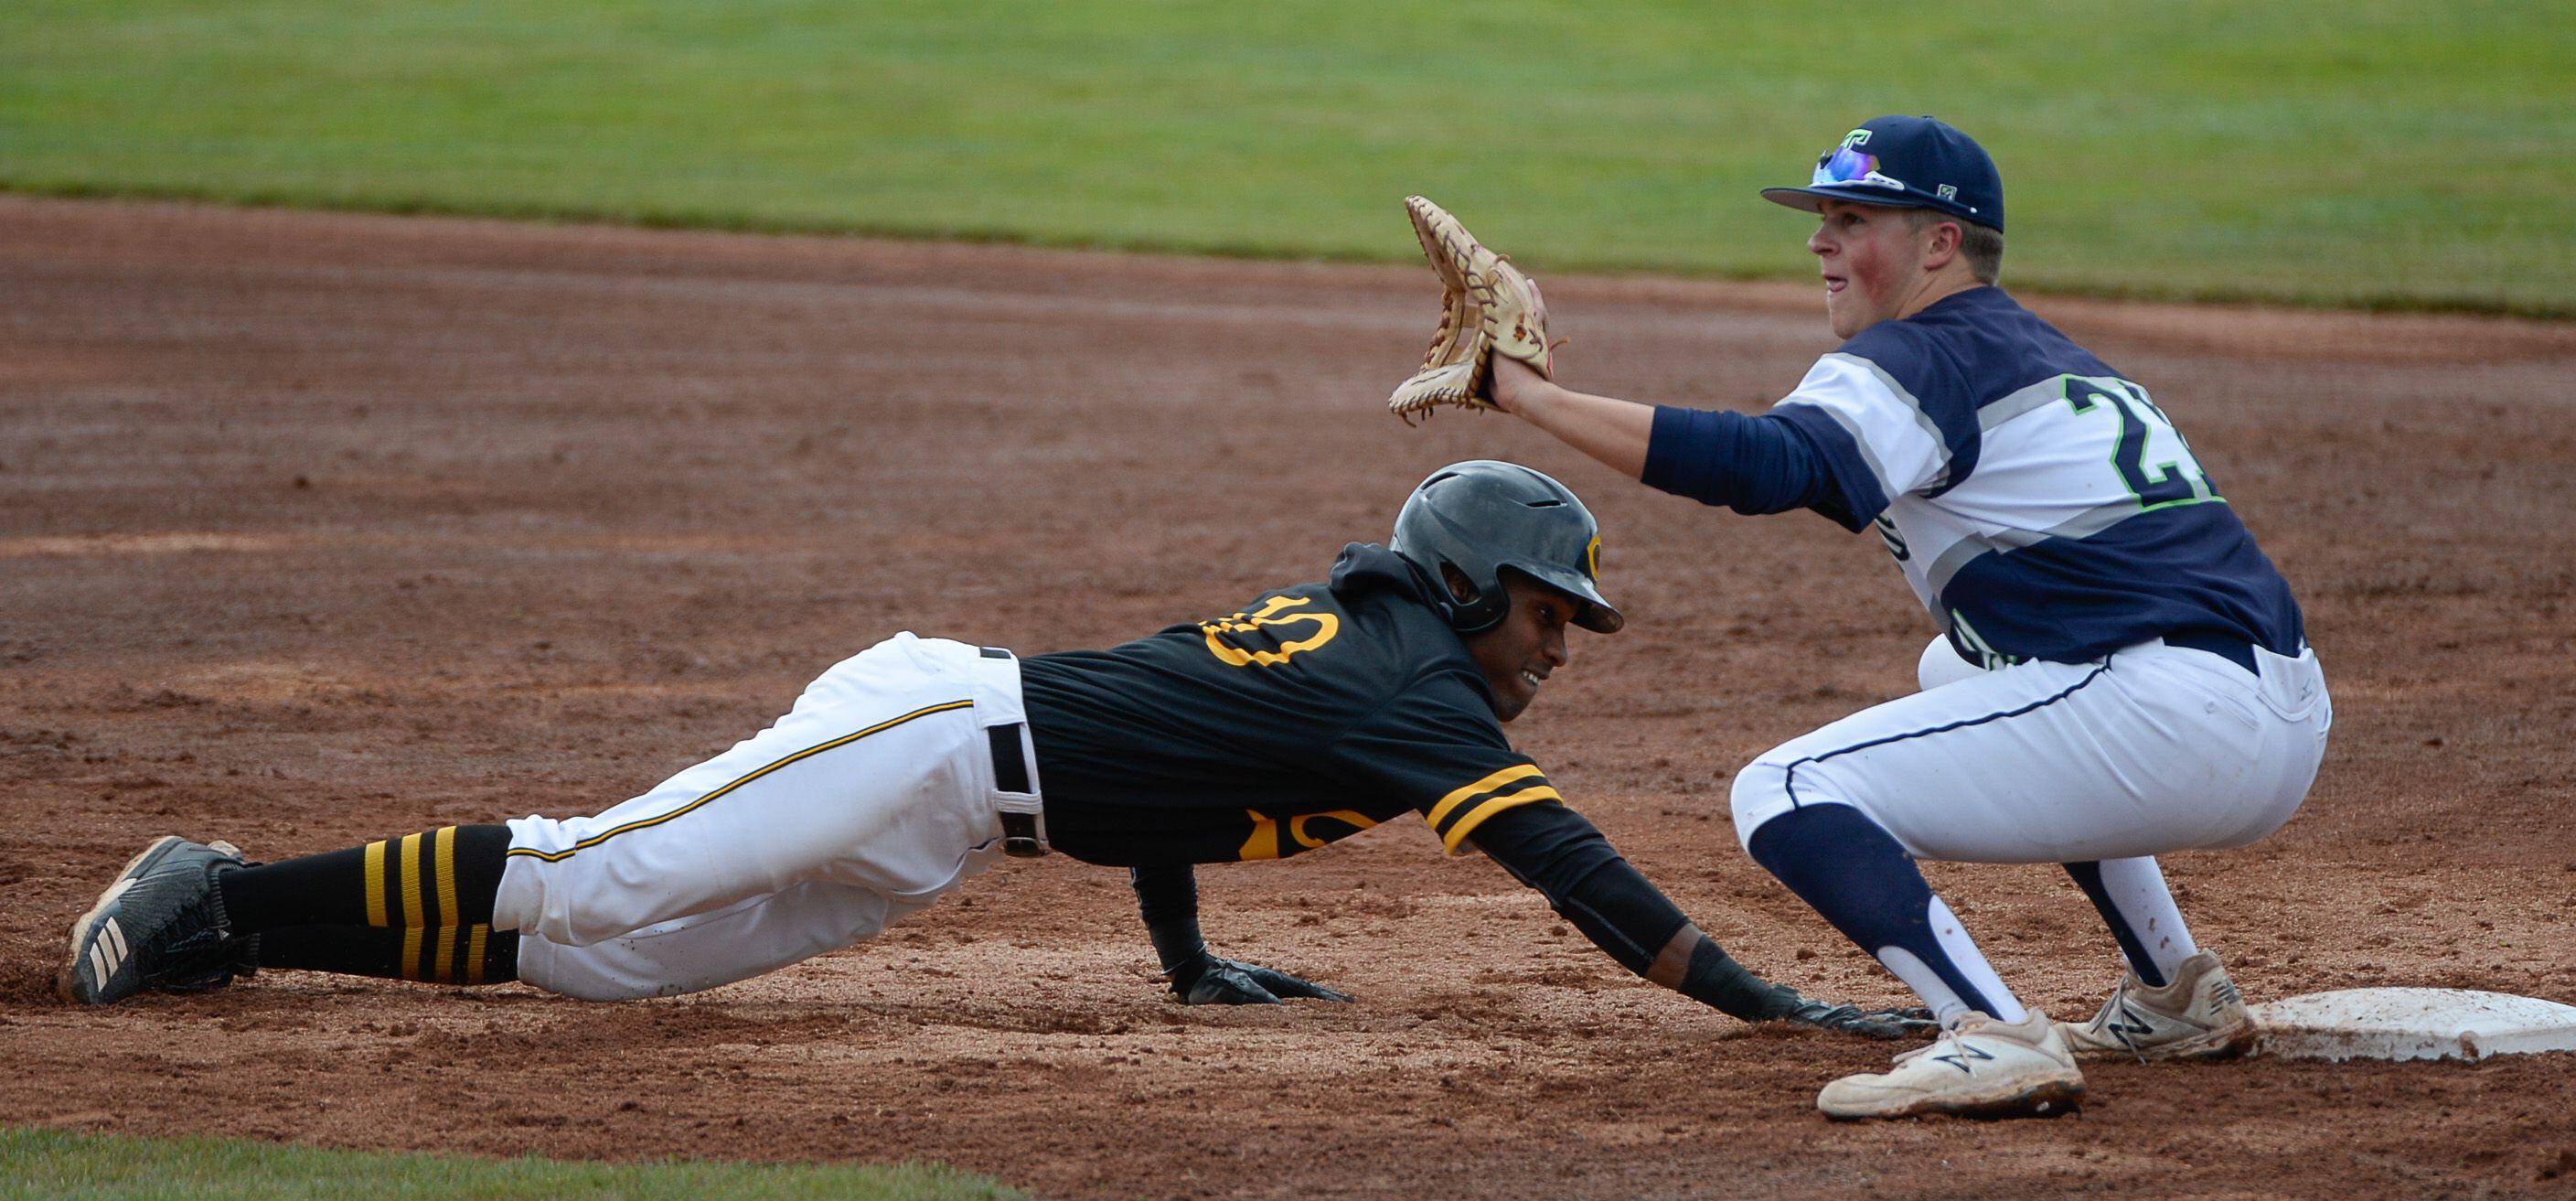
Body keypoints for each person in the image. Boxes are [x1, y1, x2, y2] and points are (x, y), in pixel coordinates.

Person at [58, 460, 1924, 1044]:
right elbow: (1580, 874)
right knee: (605, 867)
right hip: (927, 728)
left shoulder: (1369, 645)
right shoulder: (1408, 693)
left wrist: (1187, 955)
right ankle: (210, 889)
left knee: (609, 952)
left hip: (955, 813)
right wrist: (1767, 1006)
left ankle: (251, 937)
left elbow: (1175, 771)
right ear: (1471, 590)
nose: (1556, 651)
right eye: (1548, 614)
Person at [1468, 116, 2332, 1119]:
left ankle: (1989, 1029)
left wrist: (1528, 395)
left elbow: (1766, 466)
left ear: (1938, 244)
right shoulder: (2039, 351)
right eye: (1821, 217)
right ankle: (2173, 988)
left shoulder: (1922, 354)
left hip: (2172, 719)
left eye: (1851, 217)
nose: (1818, 240)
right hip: (2266, 711)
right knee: (1956, 668)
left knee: (1784, 788)